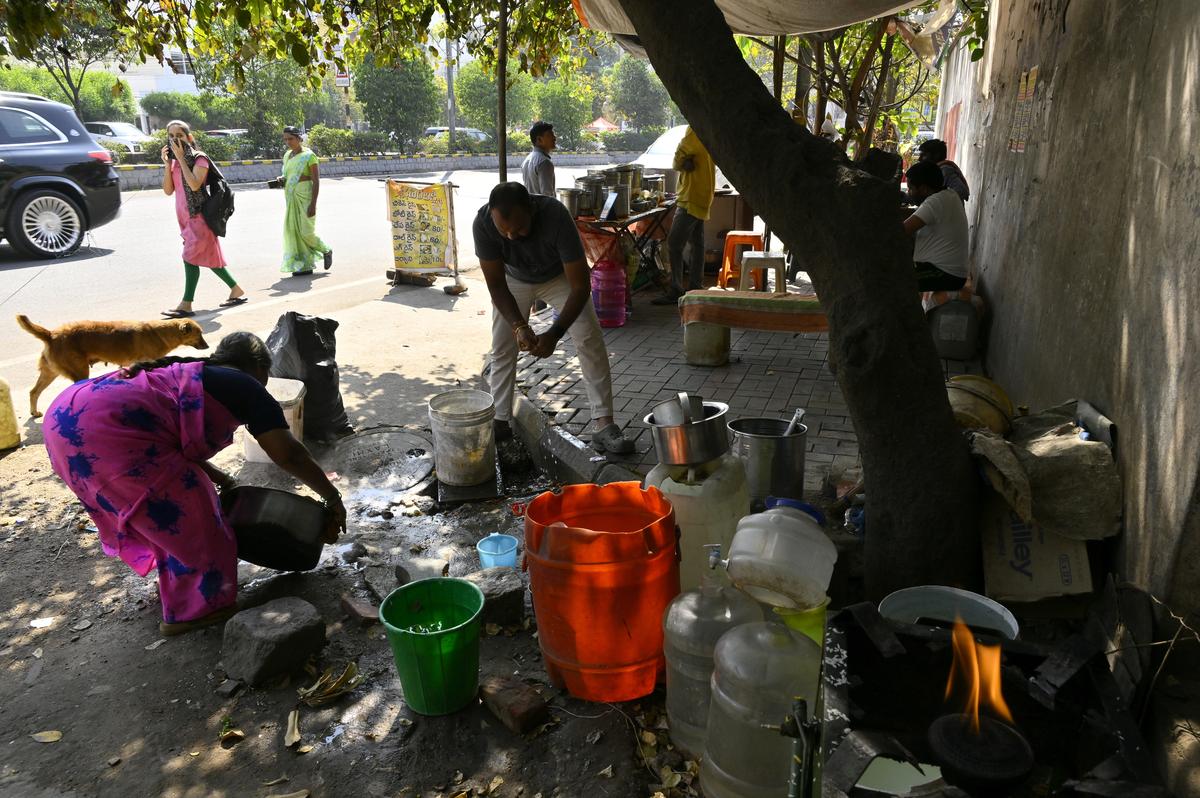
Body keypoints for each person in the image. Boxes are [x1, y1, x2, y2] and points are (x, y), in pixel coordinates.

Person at [41, 332, 347, 636]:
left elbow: (171, 442)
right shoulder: (245, 385)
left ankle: (179, 580)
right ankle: (194, 610)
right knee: (202, 528)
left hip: (66, 420)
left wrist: (224, 479)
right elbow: (288, 454)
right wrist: (332, 497)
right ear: (258, 367)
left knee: (170, 506)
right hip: (104, 434)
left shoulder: (192, 375)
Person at [474, 183, 634, 454]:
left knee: (588, 338)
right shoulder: (483, 223)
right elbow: (497, 286)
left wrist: (555, 333)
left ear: (532, 210)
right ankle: (501, 421)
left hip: (558, 277)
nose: (512, 237)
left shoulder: (555, 216)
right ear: (492, 215)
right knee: (503, 346)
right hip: (514, 281)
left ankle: (603, 425)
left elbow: (582, 287)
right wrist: (519, 326)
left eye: (520, 228)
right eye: (505, 231)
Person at [160, 120, 245, 318]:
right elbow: (168, 190)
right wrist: (167, 164)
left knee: (189, 257)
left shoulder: (200, 159)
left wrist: (181, 159)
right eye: (171, 137)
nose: (175, 140)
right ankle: (236, 290)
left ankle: (186, 304)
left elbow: (195, 184)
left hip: (199, 216)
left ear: (189, 138)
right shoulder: (173, 162)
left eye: (179, 136)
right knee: (209, 257)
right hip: (184, 218)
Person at [652, 125, 715, 305]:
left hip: (690, 195)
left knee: (674, 243)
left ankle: (676, 288)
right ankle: (696, 286)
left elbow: (678, 159)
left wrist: (682, 163)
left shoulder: (695, 129)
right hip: (703, 194)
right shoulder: (710, 130)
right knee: (697, 244)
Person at [903, 161, 969, 292]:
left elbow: (902, 230)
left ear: (924, 189)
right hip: (946, 271)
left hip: (946, 274)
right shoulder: (949, 194)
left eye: (911, 188)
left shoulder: (935, 202)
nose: (909, 192)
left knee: (894, 281)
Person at [275, 126, 333, 275]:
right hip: (291, 197)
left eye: (291, 139)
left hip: (305, 196)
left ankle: (326, 250)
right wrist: (282, 179)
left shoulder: (309, 156)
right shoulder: (288, 155)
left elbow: (316, 181)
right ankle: (302, 265)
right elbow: (288, 174)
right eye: (286, 139)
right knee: (294, 231)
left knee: (306, 232)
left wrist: (313, 204)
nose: (288, 142)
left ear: (299, 138)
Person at [918, 138, 970, 202]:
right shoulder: (934, 170)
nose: (919, 159)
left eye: (924, 155)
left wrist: (936, 201)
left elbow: (962, 191)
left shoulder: (945, 170)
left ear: (936, 155)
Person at [521, 121, 556, 197]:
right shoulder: (545, 162)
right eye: (550, 135)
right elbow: (547, 196)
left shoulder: (526, 161)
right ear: (539, 140)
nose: (554, 138)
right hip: (543, 208)